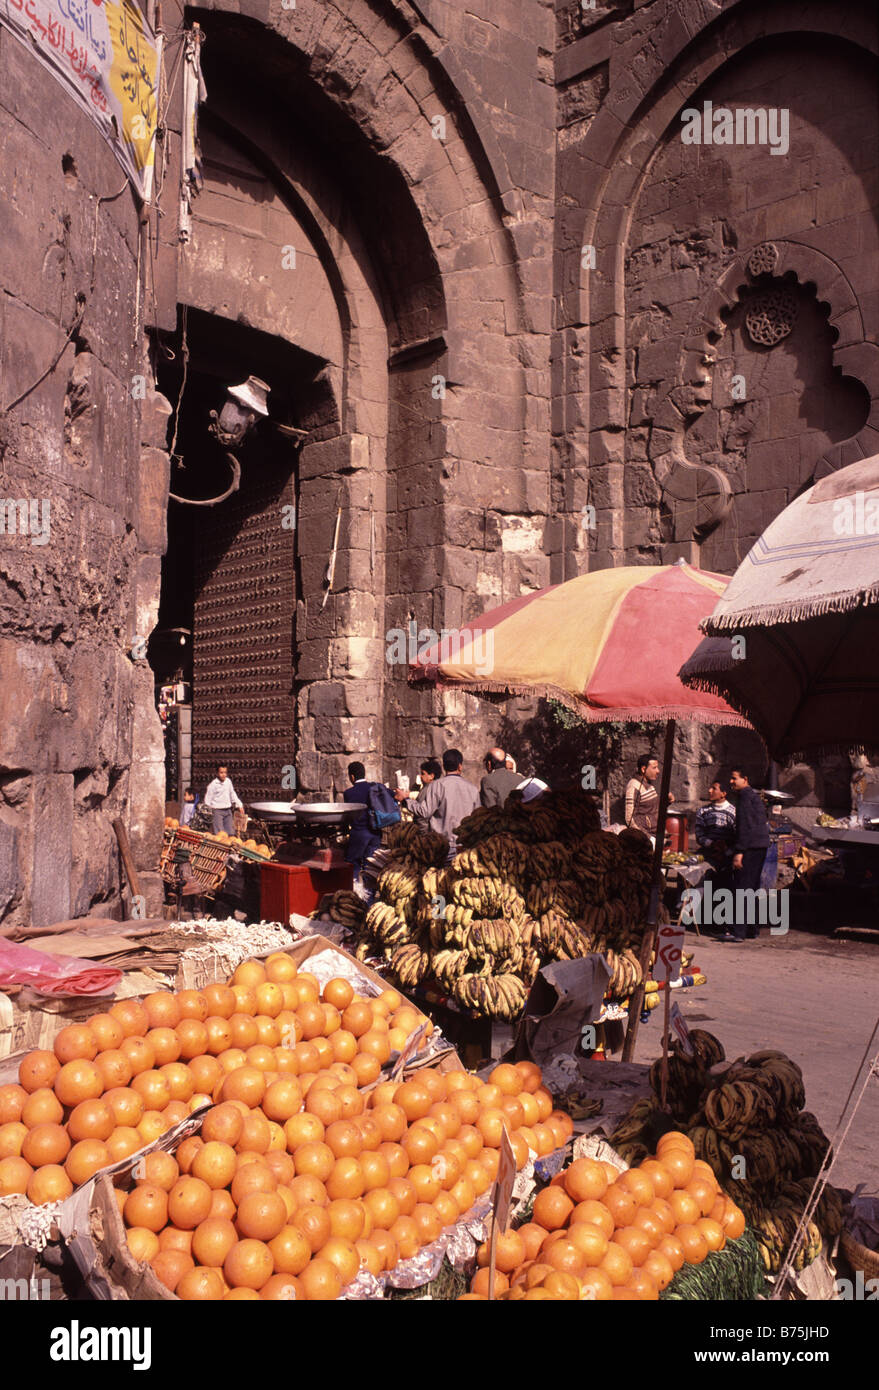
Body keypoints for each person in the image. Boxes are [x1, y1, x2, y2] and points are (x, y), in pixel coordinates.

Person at [724, 768, 771, 942]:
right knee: (752, 888)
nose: (731, 781)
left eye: (734, 778)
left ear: (745, 779)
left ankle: (739, 932)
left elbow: (745, 827)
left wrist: (739, 852)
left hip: (750, 847)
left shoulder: (744, 797)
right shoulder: (753, 796)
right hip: (760, 846)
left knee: (742, 889)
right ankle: (752, 929)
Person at [412, 748, 480, 860]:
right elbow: (478, 819)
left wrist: (407, 801)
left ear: (444, 766)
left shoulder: (436, 786)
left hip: (441, 847)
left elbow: (424, 812)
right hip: (465, 848)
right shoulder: (472, 789)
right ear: (460, 766)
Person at [342, 762, 383, 885]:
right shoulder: (375, 787)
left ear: (352, 777)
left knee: (353, 863)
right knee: (370, 866)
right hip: (375, 833)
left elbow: (347, 816)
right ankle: (368, 897)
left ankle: (354, 891)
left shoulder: (349, 793)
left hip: (359, 834)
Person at [625, 754, 673, 840]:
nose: (658, 771)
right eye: (654, 768)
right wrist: (649, 838)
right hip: (646, 839)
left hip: (656, 835)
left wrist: (667, 801)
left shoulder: (649, 785)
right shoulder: (634, 787)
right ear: (643, 769)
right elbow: (630, 819)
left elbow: (652, 810)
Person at [694, 780, 737, 867]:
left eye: (714, 789)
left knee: (722, 876)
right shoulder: (703, 811)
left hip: (727, 855)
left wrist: (725, 850)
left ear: (723, 794)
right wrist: (712, 844)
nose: (709, 791)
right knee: (706, 875)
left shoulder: (734, 812)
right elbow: (699, 835)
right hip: (708, 853)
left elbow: (738, 836)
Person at [204, 764, 244, 835]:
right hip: (217, 811)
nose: (223, 775)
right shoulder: (213, 785)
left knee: (231, 833)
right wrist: (209, 813)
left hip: (228, 810)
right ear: (217, 773)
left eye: (225, 772)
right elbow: (207, 800)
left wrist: (239, 805)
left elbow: (232, 794)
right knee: (220, 834)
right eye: (221, 772)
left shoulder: (228, 782)